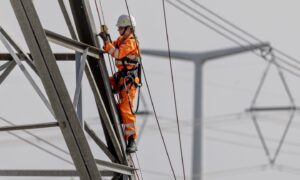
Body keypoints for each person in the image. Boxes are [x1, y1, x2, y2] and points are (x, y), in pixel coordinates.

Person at [99, 14, 141, 153]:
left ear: (129, 28)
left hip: (128, 82)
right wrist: (107, 37)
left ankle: (131, 140)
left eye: (121, 28)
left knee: (125, 108)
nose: (119, 30)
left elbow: (116, 54)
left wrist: (106, 42)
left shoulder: (131, 42)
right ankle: (114, 115)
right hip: (121, 78)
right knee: (103, 82)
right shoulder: (122, 39)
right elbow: (112, 46)